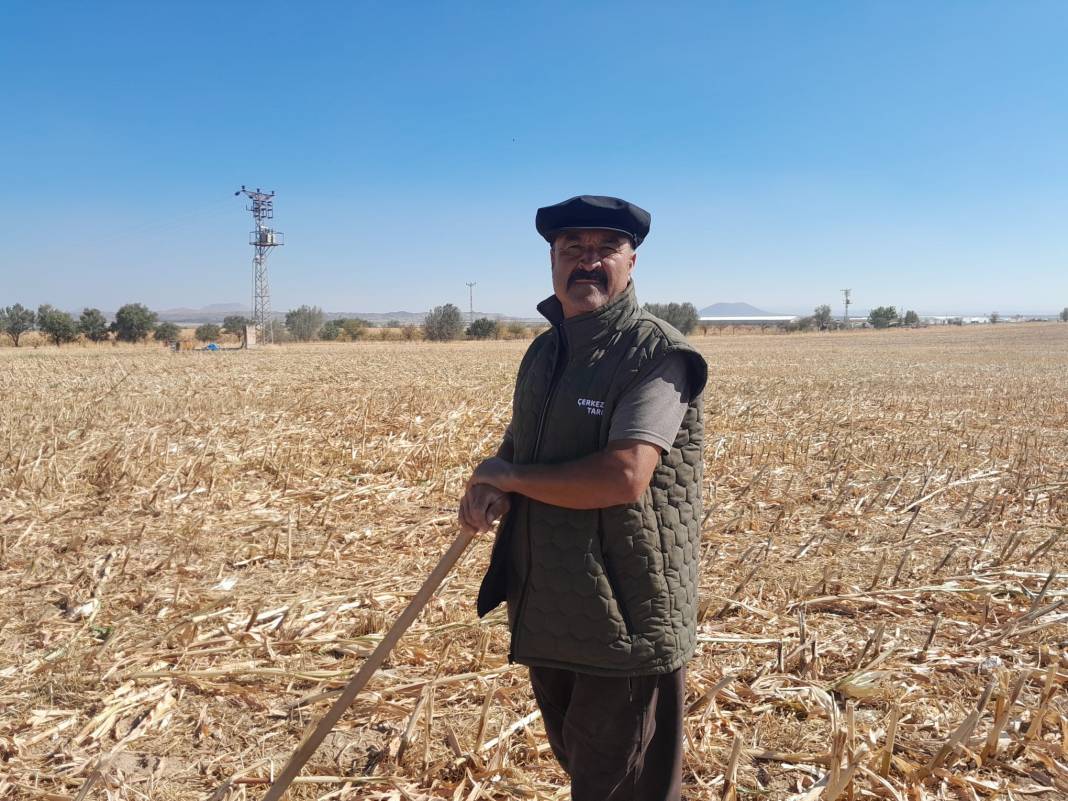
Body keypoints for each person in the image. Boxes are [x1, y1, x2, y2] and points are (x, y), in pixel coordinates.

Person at [459, 195, 707, 801]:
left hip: (623, 616)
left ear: (632, 262)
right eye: (573, 249)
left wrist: (510, 477)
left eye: (606, 250)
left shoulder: (658, 354)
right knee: (588, 768)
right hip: (550, 604)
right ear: (552, 260)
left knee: (624, 788)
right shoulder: (547, 351)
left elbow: (624, 477)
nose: (587, 262)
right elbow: (521, 448)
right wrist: (492, 481)